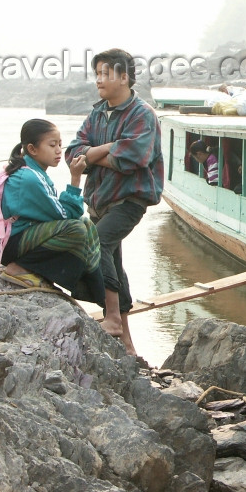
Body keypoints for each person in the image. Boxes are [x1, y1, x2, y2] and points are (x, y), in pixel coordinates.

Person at [65, 48, 164, 356]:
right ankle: (128, 345)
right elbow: (72, 153)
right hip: (99, 199)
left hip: (130, 199)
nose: (99, 80)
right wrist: (106, 150)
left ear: (124, 77)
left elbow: (134, 157)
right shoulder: (96, 114)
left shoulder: (142, 114)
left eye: (106, 74)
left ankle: (110, 318)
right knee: (115, 266)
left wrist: (94, 154)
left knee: (97, 242)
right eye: (97, 74)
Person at [0, 119, 105, 305]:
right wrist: (75, 178)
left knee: (87, 225)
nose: (58, 150)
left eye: (60, 144)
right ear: (32, 149)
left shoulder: (32, 172)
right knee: (76, 228)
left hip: (16, 237)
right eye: (52, 145)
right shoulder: (29, 178)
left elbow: (60, 214)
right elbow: (65, 215)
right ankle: (19, 268)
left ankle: (92, 290)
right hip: (9, 243)